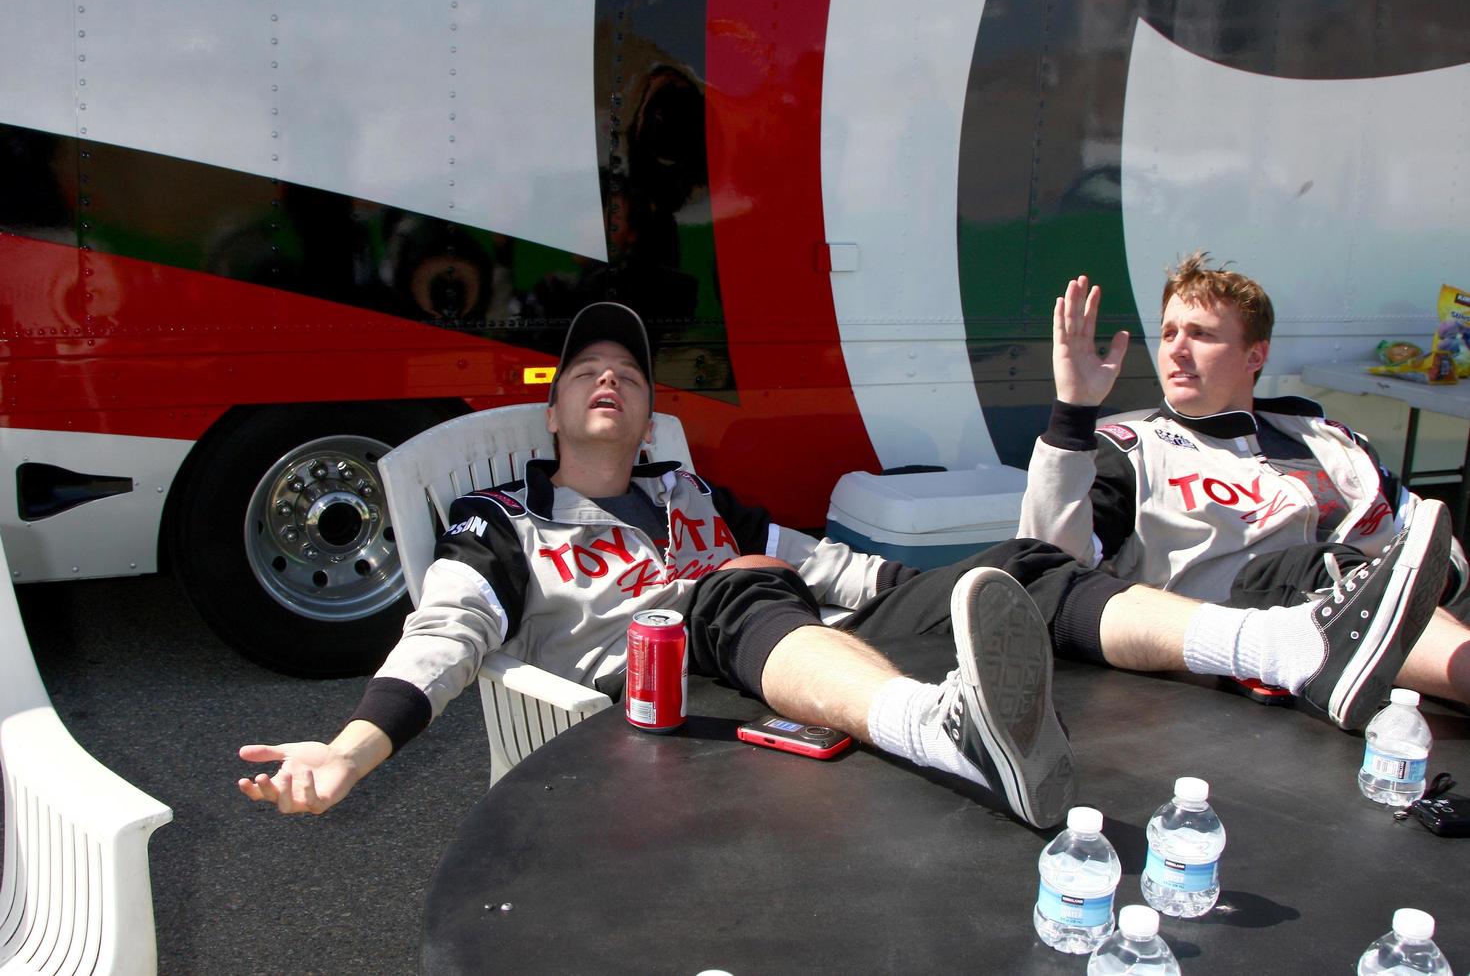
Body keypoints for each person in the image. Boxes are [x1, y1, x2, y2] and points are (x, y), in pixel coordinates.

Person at [240, 302, 1447, 828]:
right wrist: (350, 749)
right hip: (663, 699)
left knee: (1023, 561)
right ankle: (942, 725)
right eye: (585, 368)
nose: (610, 378)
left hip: (785, 644)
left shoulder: (694, 493)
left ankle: (1286, 646)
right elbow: (439, 640)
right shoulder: (501, 522)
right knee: (719, 590)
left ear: (652, 408)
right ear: (553, 411)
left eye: (632, 370)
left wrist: (934, 585)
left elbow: (821, 561)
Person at [1017, 253, 1468, 717]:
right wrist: (1073, 410)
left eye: (1202, 334)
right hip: (1238, 650)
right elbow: (1048, 567)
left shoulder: (1334, 442)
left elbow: (1430, 546)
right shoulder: (1133, 449)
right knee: (1305, 569)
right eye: (1170, 332)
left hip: (1381, 639)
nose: (1176, 348)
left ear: (1255, 355)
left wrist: (1429, 583)